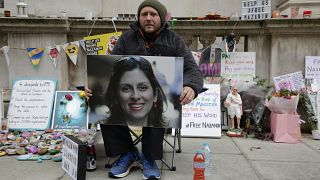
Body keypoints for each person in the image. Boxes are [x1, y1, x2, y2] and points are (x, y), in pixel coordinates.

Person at [85, 0, 203, 179]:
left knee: (155, 107)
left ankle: (149, 157)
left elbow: (193, 70)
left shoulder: (174, 40)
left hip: (154, 99)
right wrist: (90, 88)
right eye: (144, 14)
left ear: (161, 18)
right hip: (123, 96)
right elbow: (111, 68)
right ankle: (127, 153)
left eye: (153, 14)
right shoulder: (126, 39)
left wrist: (191, 86)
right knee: (100, 103)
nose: (148, 18)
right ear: (138, 18)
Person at [104, 56, 168, 127]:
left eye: (143, 87)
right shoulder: (102, 136)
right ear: (115, 96)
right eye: (126, 89)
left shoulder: (164, 135)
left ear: (155, 94)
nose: (135, 96)